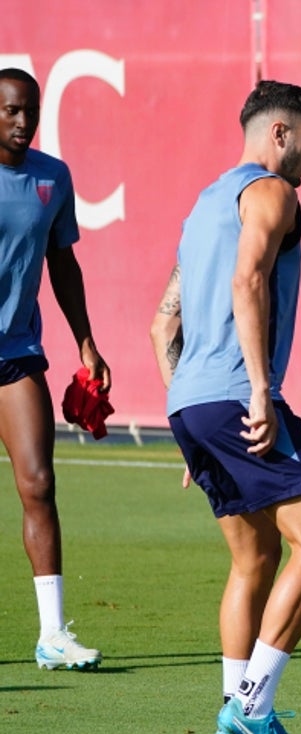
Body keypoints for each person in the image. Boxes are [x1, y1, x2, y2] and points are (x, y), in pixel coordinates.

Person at [150, 80, 301, 734]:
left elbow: (163, 321)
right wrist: (260, 391)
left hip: (195, 403)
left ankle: (229, 713)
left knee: (254, 558)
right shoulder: (272, 192)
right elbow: (248, 282)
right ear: (278, 135)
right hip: (240, 396)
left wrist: (189, 418)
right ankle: (252, 709)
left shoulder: (205, 205)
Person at [0, 68, 110, 671]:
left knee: (39, 484)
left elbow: (61, 264)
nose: (23, 122)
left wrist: (87, 343)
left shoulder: (51, 176)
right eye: (11, 111)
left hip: (15, 353)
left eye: (30, 112)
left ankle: (51, 635)